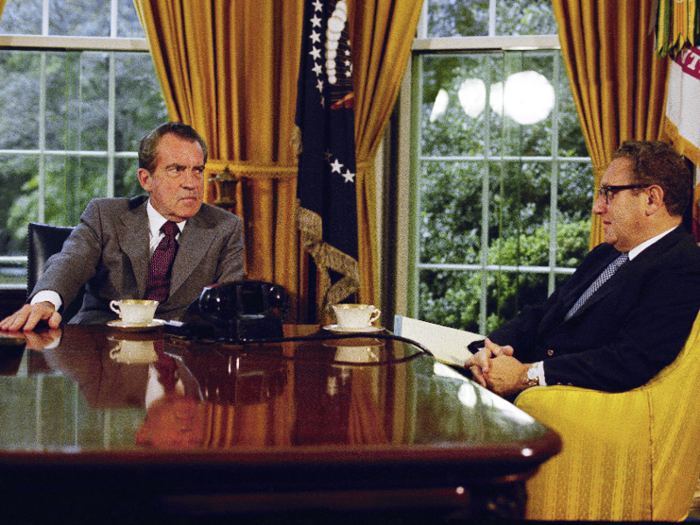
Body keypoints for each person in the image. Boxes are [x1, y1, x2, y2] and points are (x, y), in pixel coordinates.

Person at [466, 140, 700, 398]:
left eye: (609, 193)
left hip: (560, 402)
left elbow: (628, 361)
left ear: (652, 199)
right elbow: (543, 314)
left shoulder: (684, 266)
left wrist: (525, 375)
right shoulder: (606, 253)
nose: (597, 207)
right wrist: (488, 350)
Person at [0, 122, 244, 331]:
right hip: (100, 350)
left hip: (180, 360)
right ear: (146, 179)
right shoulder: (104, 215)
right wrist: (45, 303)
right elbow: (70, 263)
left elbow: (230, 304)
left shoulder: (225, 227)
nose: (191, 184)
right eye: (176, 170)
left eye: (197, 171)